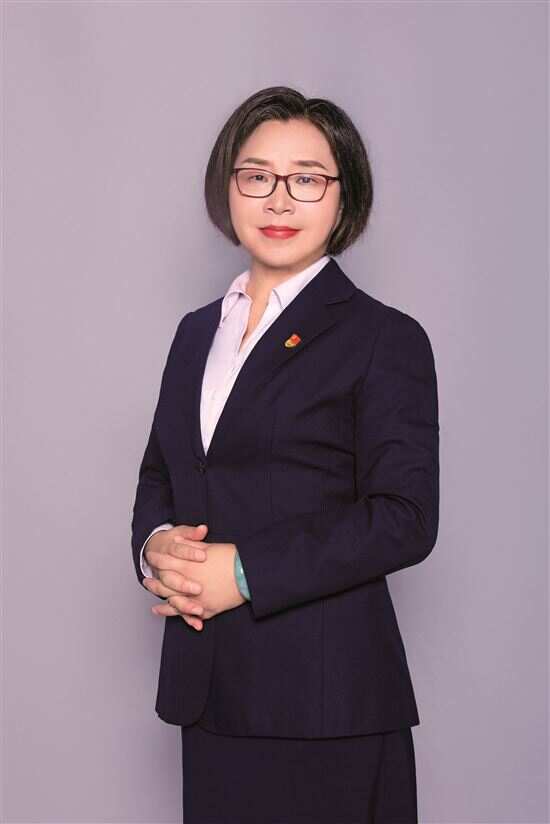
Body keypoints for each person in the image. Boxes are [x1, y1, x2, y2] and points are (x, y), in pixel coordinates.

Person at [130, 85, 439, 823]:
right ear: (228, 186)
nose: (278, 200)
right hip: (210, 694)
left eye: (306, 179)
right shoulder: (196, 332)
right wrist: (156, 545)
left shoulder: (383, 337)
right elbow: (164, 471)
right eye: (257, 176)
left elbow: (405, 517)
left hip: (326, 702)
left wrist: (242, 571)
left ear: (343, 195)